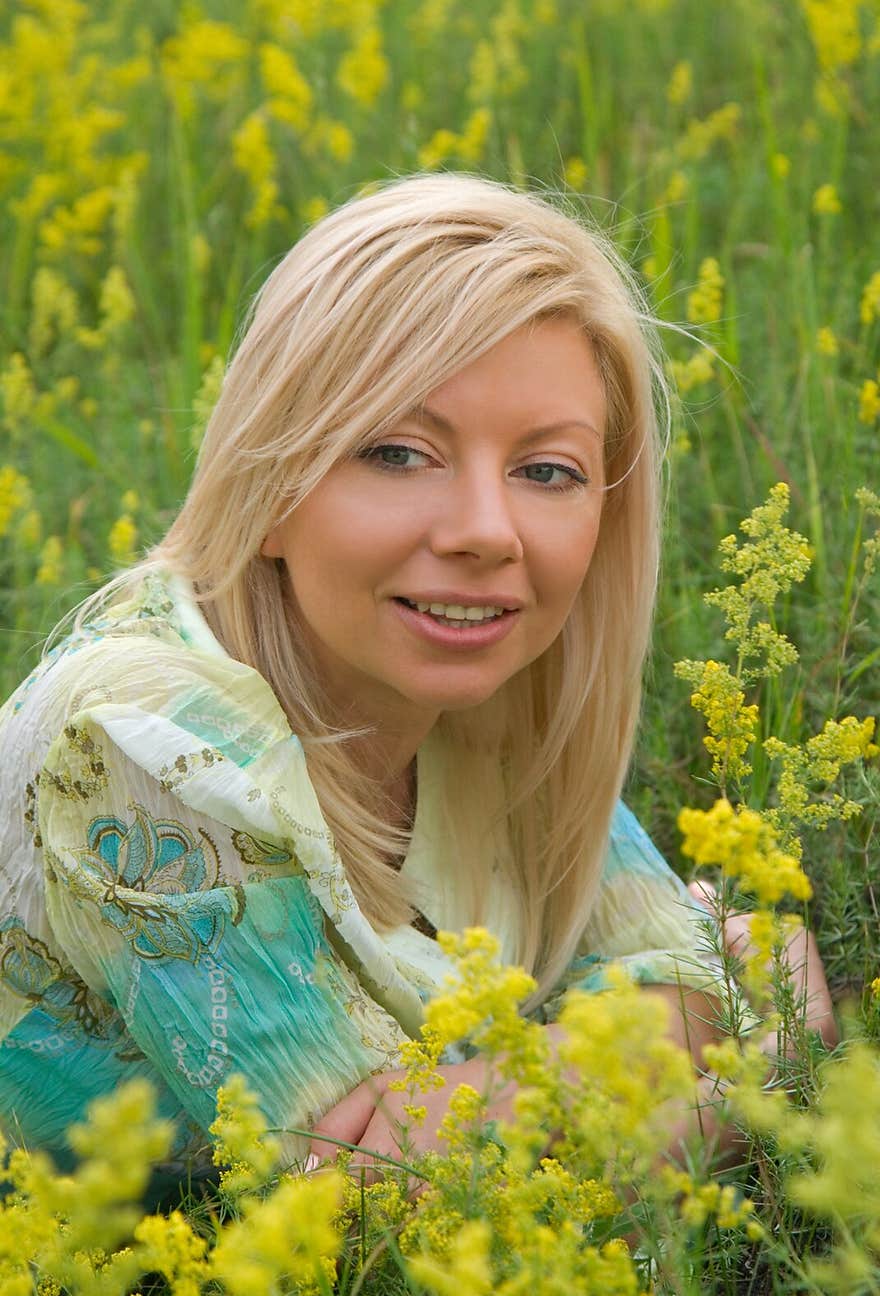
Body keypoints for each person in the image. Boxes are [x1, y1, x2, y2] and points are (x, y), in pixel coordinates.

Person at [0, 172, 835, 1201]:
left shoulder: (496, 700)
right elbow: (363, 1216)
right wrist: (747, 1037)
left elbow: (641, 984)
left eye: (548, 471)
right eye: (398, 451)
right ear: (268, 488)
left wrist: (502, 1096)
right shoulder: (141, 736)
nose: (486, 529)